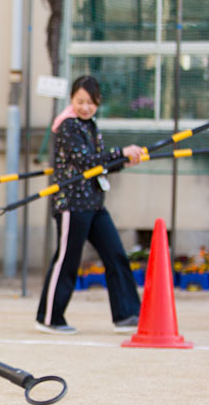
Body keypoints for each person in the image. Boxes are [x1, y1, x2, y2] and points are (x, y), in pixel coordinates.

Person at [35, 75, 144, 335]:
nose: (85, 107)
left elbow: (99, 165)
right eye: (80, 101)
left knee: (115, 254)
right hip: (72, 204)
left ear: (98, 102)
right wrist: (120, 153)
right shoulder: (68, 126)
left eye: (90, 102)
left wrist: (124, 161)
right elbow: (86, 162)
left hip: (94, 202)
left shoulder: (90, 126)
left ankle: (127, 315)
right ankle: (49, 317)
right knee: (67, 260)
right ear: (71, 100)